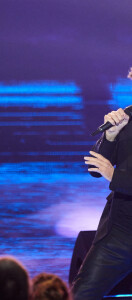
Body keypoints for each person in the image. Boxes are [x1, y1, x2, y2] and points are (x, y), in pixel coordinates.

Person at [72, 69, 132, 299]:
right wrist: (110, 137)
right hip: (118, 235)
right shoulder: (127, 118)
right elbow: (95, 170)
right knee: (81, 294)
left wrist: (115, 176)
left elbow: (108, 174)